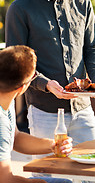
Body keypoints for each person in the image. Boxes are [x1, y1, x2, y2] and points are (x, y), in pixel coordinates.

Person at [5, 0, 95, 149]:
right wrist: (46, 84)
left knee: (94, 172)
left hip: (83, 109)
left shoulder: (83, 4)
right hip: (44, 112)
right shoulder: (20, 9)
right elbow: (17, 64)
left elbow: (94, 47)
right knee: (49, 175)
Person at [0, 45, 73, 183]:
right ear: (23, 87)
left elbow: (15, 138)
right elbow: (5, 180)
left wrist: (52, 145)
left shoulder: (6, 99)